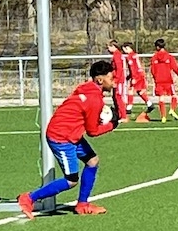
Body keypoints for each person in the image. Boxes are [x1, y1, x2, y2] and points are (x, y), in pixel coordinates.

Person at [18, 59, 120, 218]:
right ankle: (29, 198)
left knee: (92, 161)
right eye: (111, 78)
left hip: (71, 133)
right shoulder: (94, 99)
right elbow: (92, 132)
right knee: (71, 180)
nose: (113, 81)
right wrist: (112, 125)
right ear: (100, 80)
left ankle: (82, 204)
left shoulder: (87, 90)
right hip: (61, 137)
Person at [148, 37, 178, 122]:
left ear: (157, 47)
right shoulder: (169, 57)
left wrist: (155, 78)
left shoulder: (154, 57)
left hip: (158, 81)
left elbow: (152, 70)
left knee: (161, 98)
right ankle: (172, 109)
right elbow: (175, 68)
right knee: (174, 95)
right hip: (168, 80)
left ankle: (163, 117)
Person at [122, 41, 153, 117]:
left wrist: (133, 77)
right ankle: (149, 104)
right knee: (140, 91)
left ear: (128, 48)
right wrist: (129, 76)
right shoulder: (135, 55)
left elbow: (133, 68)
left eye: (124, 49)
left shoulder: (129, 57)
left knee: (130, 90)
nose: (124, 51)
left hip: (136, 75)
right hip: (140, 74)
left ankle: (129, 108)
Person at [105, 40, 129, 121]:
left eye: (108, 47)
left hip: (119, 80)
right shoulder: (117, 55)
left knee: (118, 97)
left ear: (113, 46)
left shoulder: (117, 55)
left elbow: (119, 69)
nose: (108, 49)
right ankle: (118, 114)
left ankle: (123, 116)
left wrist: (116, 80)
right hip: (118, 79)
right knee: (115, 97)